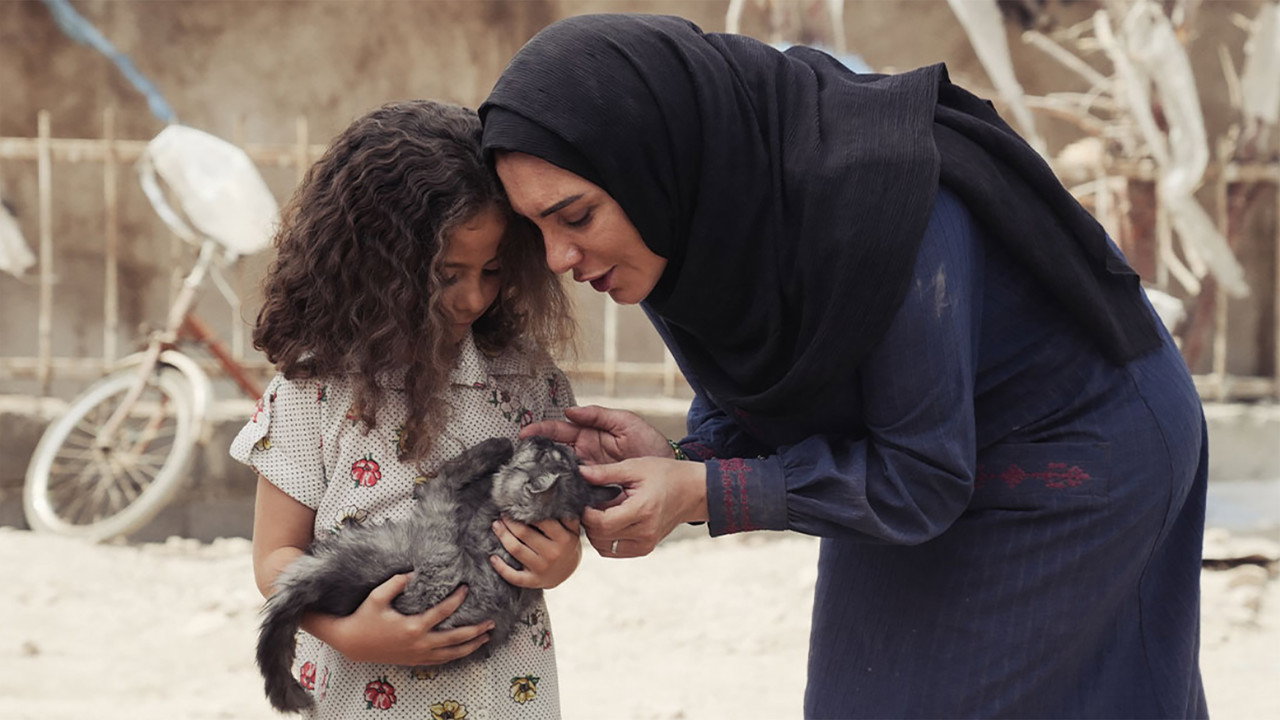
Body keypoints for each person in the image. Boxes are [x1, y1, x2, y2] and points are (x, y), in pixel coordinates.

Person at [480, 14, 1209, 719]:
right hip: (917, 452)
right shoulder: (690, 219)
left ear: (653, 161)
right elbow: (758, 399)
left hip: (1076, 448)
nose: (559, 258)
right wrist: (684, 458)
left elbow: (921, 480)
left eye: (576, 217)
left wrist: (704, 491)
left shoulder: (884, 207)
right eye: (536, 229)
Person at [232, 100, 578, 719]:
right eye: (446, 275)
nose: (473, 297)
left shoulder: (527, 380)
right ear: (374, 267)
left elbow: (559, 524)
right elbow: (275, 557)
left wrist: (560, 560)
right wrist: (348, 634)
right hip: (361, 697)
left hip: (505, 694)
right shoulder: (315, 387)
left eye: (493, 270)